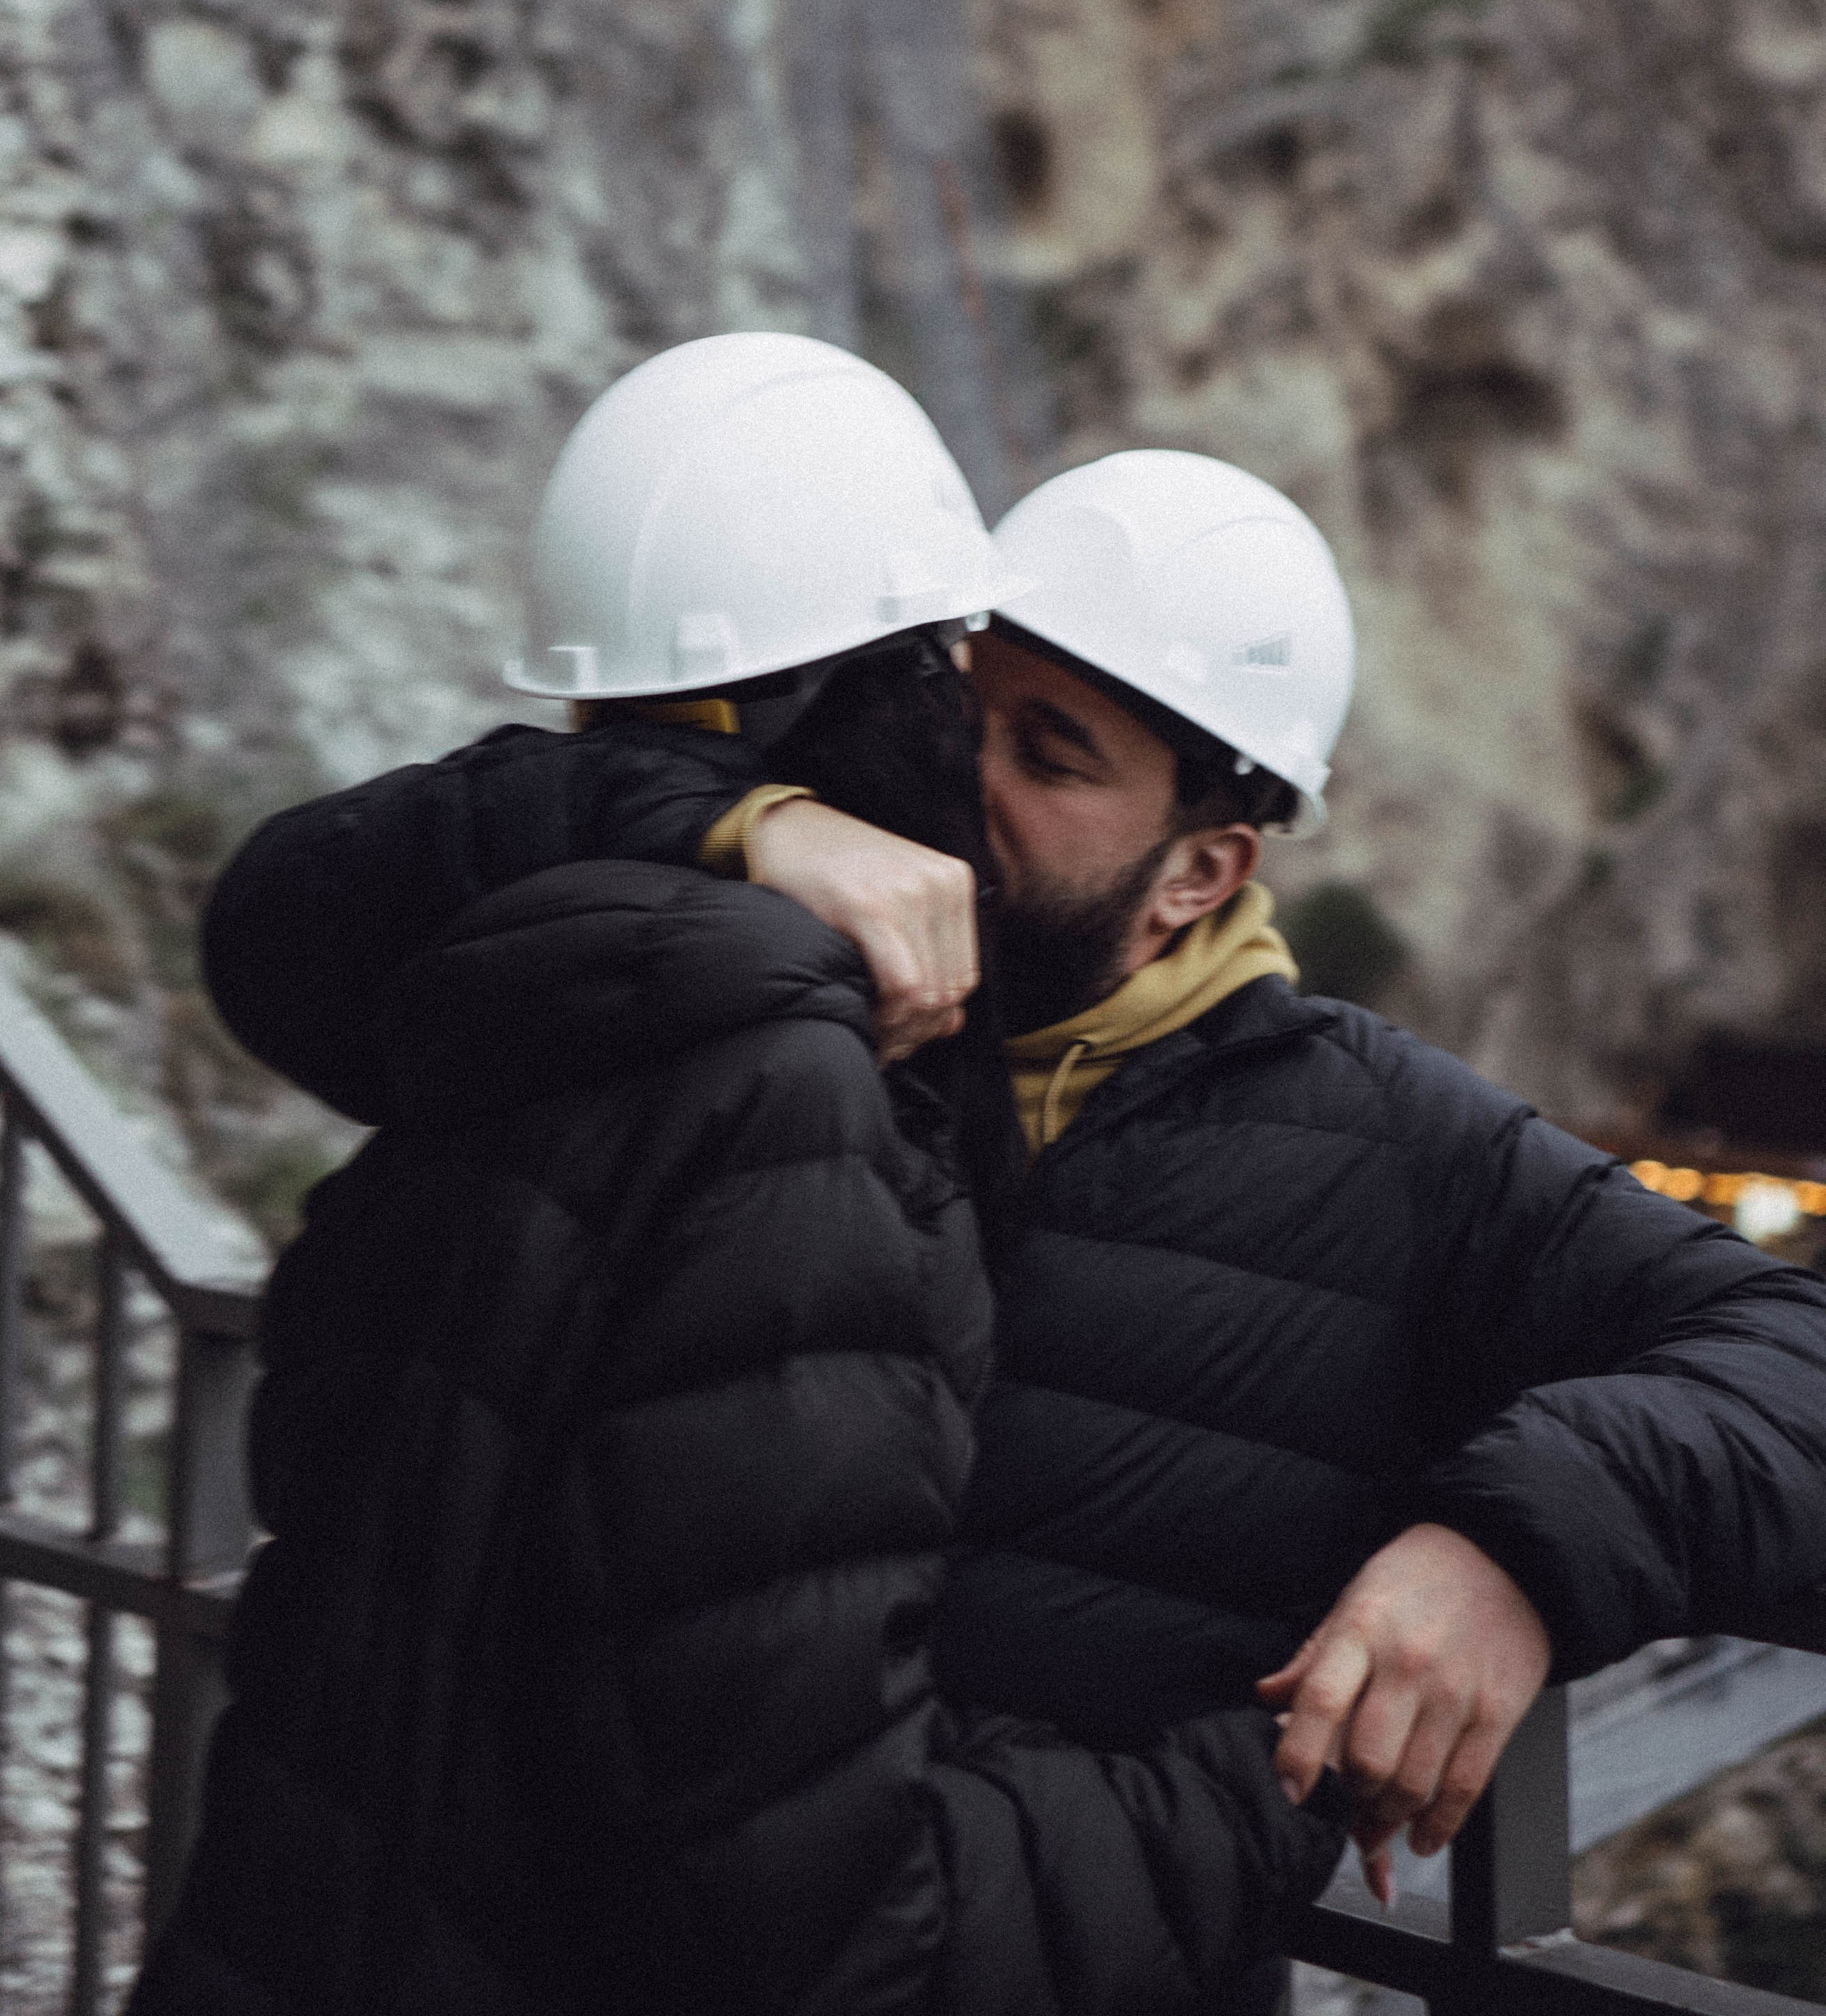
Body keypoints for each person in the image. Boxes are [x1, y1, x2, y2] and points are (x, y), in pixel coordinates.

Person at [195, 373, 1826, 1926]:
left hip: (1020, 1936)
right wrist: (715, 816)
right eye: (952, 712)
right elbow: (297, 923)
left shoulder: (1392, 1148)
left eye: (1048, 759)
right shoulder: (786, 973)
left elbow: (1793, 1363)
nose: (957, 781)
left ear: (1203, 869)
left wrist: (1516, 1545)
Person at [131, 337, 1345, 2016]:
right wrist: (1262, 1787)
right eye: (950, 687)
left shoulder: (507, 996)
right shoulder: (789, 1094)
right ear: (890, 699)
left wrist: (729, 820)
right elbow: (821, 1925)